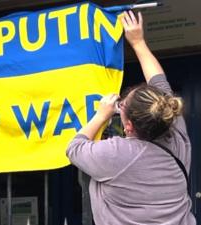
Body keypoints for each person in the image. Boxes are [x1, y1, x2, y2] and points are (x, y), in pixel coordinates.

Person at [67, 11, 196, 225]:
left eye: (122, 105)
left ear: (127, 126)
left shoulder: (119, 154)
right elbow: (159, 82)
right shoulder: (175, 133)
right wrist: (138, 42)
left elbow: (75, 148)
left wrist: (100, 115)